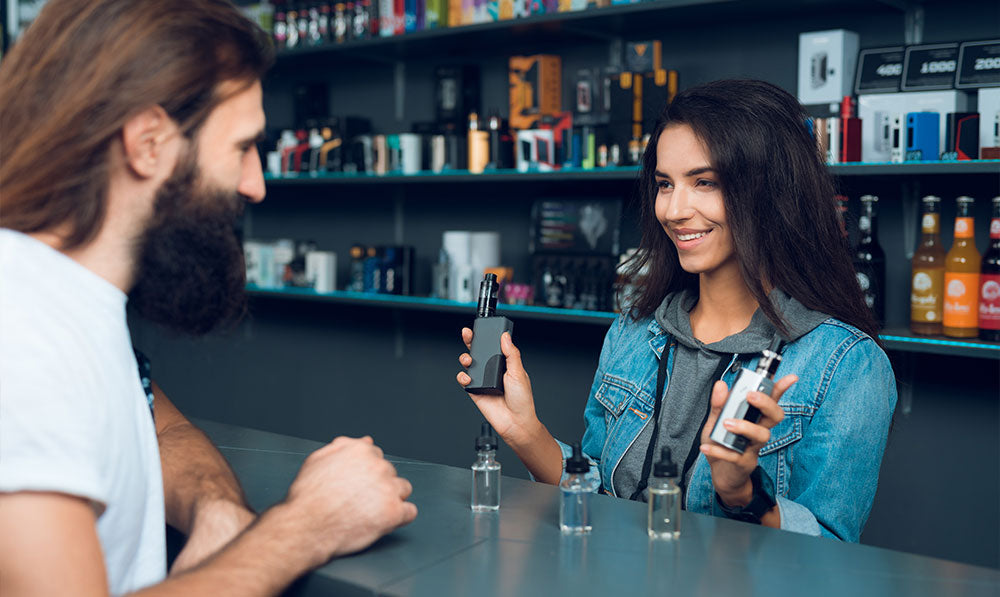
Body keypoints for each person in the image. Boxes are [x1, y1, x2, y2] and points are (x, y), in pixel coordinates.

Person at [0, 1, 417, 595]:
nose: (256, 183)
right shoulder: (21, 329)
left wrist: (217, 509)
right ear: (148, 143)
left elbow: (156, 426)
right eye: (242, 147)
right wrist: (304, 528)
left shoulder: (71, 304)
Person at [458, 79, 896, 541]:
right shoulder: (632, 333)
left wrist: (743, 493)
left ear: (773, 193)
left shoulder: (847, 365)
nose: (673, 209)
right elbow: (596, 499)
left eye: (704, 182)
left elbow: (831, 557)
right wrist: (525, 431)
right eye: (665, 184)